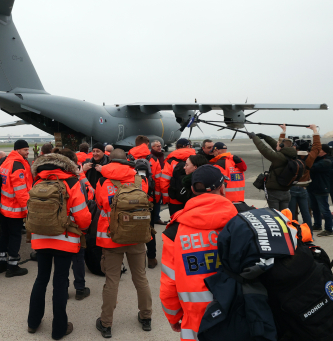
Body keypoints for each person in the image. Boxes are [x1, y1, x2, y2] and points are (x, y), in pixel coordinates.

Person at [160, 165, 238, 341]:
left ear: (193, 190)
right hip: (240, 314)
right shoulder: (243, 220)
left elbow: (169, 283)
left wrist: (173, 316)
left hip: (196, 322)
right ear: (222, 187)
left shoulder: (175, 231)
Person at [27, 152, 91, 339]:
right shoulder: (71, 183)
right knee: (60, 282)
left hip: (40, 237)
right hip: (65, 239)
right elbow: (82, 216)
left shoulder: (38, 182)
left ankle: (33, 322)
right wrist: (84, 229)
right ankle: (59, 329)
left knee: (41, 278)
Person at [94, 149, 152, 338]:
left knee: (112, 280)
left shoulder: (103, 180)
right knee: (140, 278)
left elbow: (101, 204)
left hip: (112, 236)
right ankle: (146, 317)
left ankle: (106, 323)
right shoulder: (140, 180)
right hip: (137, 234)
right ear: (127, 160)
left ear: (110, 159)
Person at [0, 140, 33, 277]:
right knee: (15, 236)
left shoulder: (6, 161)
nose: (27, 152)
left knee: (4, 235)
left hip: (5, 206)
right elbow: (21, 191)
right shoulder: (18, 166)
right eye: (25, 150)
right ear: (18, 150)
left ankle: (0, 263)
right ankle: (13, 266)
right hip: (15, 208)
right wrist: (28, 210)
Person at [128, 135, 163, 268]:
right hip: (149, 199)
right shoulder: (153, 159)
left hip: (132, 199)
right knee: (149, 229)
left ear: (135, 144)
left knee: (132, 228)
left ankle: (135, 259)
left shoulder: (129, 158)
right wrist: (157, 198)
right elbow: (159, 180)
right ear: (147, 144)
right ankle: (151, 258)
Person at [247, 125, 297, 210]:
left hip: (275, 192)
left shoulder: (279, 157)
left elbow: (264, 149)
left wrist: (255, 138)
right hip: (286, 191)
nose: (276, 146)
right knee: (285, 215)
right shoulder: (292, 154)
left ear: (281, 146)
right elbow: (276, 146)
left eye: (278, 144)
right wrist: (265, 137)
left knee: (275, 215)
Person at [285, 125, 320, 231]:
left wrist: (283, 131)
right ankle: (308, 235)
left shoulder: (291, 156)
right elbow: (317, 147)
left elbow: (282, 147)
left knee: (291, 214)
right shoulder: (310, 157)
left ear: (296, 147)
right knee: (306, 214)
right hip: (304, 188)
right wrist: (315, 130)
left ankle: (293, 233)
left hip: (291, 187)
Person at [161, 138, 197, 217]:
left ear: (177, 147)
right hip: (192, 198)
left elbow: (164, 181)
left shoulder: (170, 161)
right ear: (188, 146)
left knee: (175, 223)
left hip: (175, 199)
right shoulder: (196, 159)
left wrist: (167, 198)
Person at [308, 145, 333, 237]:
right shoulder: (319, 159)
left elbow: (311, 167)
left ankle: (329, 229)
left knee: (324, 210)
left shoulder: (326, 161)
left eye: (319, 150)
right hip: (313, 187)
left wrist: (310, 157)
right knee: (314, 208)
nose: (317, 152)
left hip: (321, 188)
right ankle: (317, 225)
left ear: (325, 152)